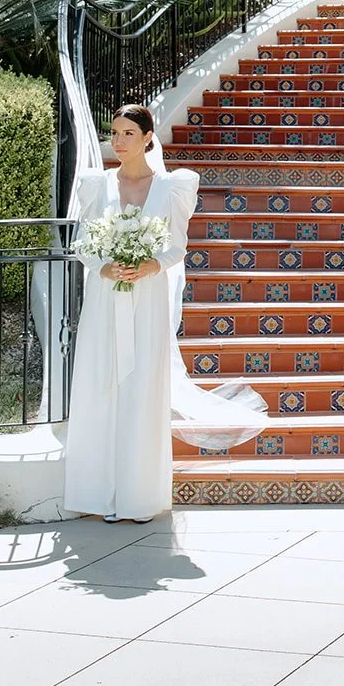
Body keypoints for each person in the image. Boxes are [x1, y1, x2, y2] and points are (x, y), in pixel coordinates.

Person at [63, 103, 266, 522]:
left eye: (128, 135)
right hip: (104, 298)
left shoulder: (171, 188)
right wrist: (104, 266)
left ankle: (139, 495)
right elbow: (82, 244)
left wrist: (150, 265)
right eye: (114, 133)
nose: (118, 142)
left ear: (148, 138)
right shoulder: (95, 185)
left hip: (147, 298)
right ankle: (95, 492)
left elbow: (176, 248)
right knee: (101, 383)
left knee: (141, 389)